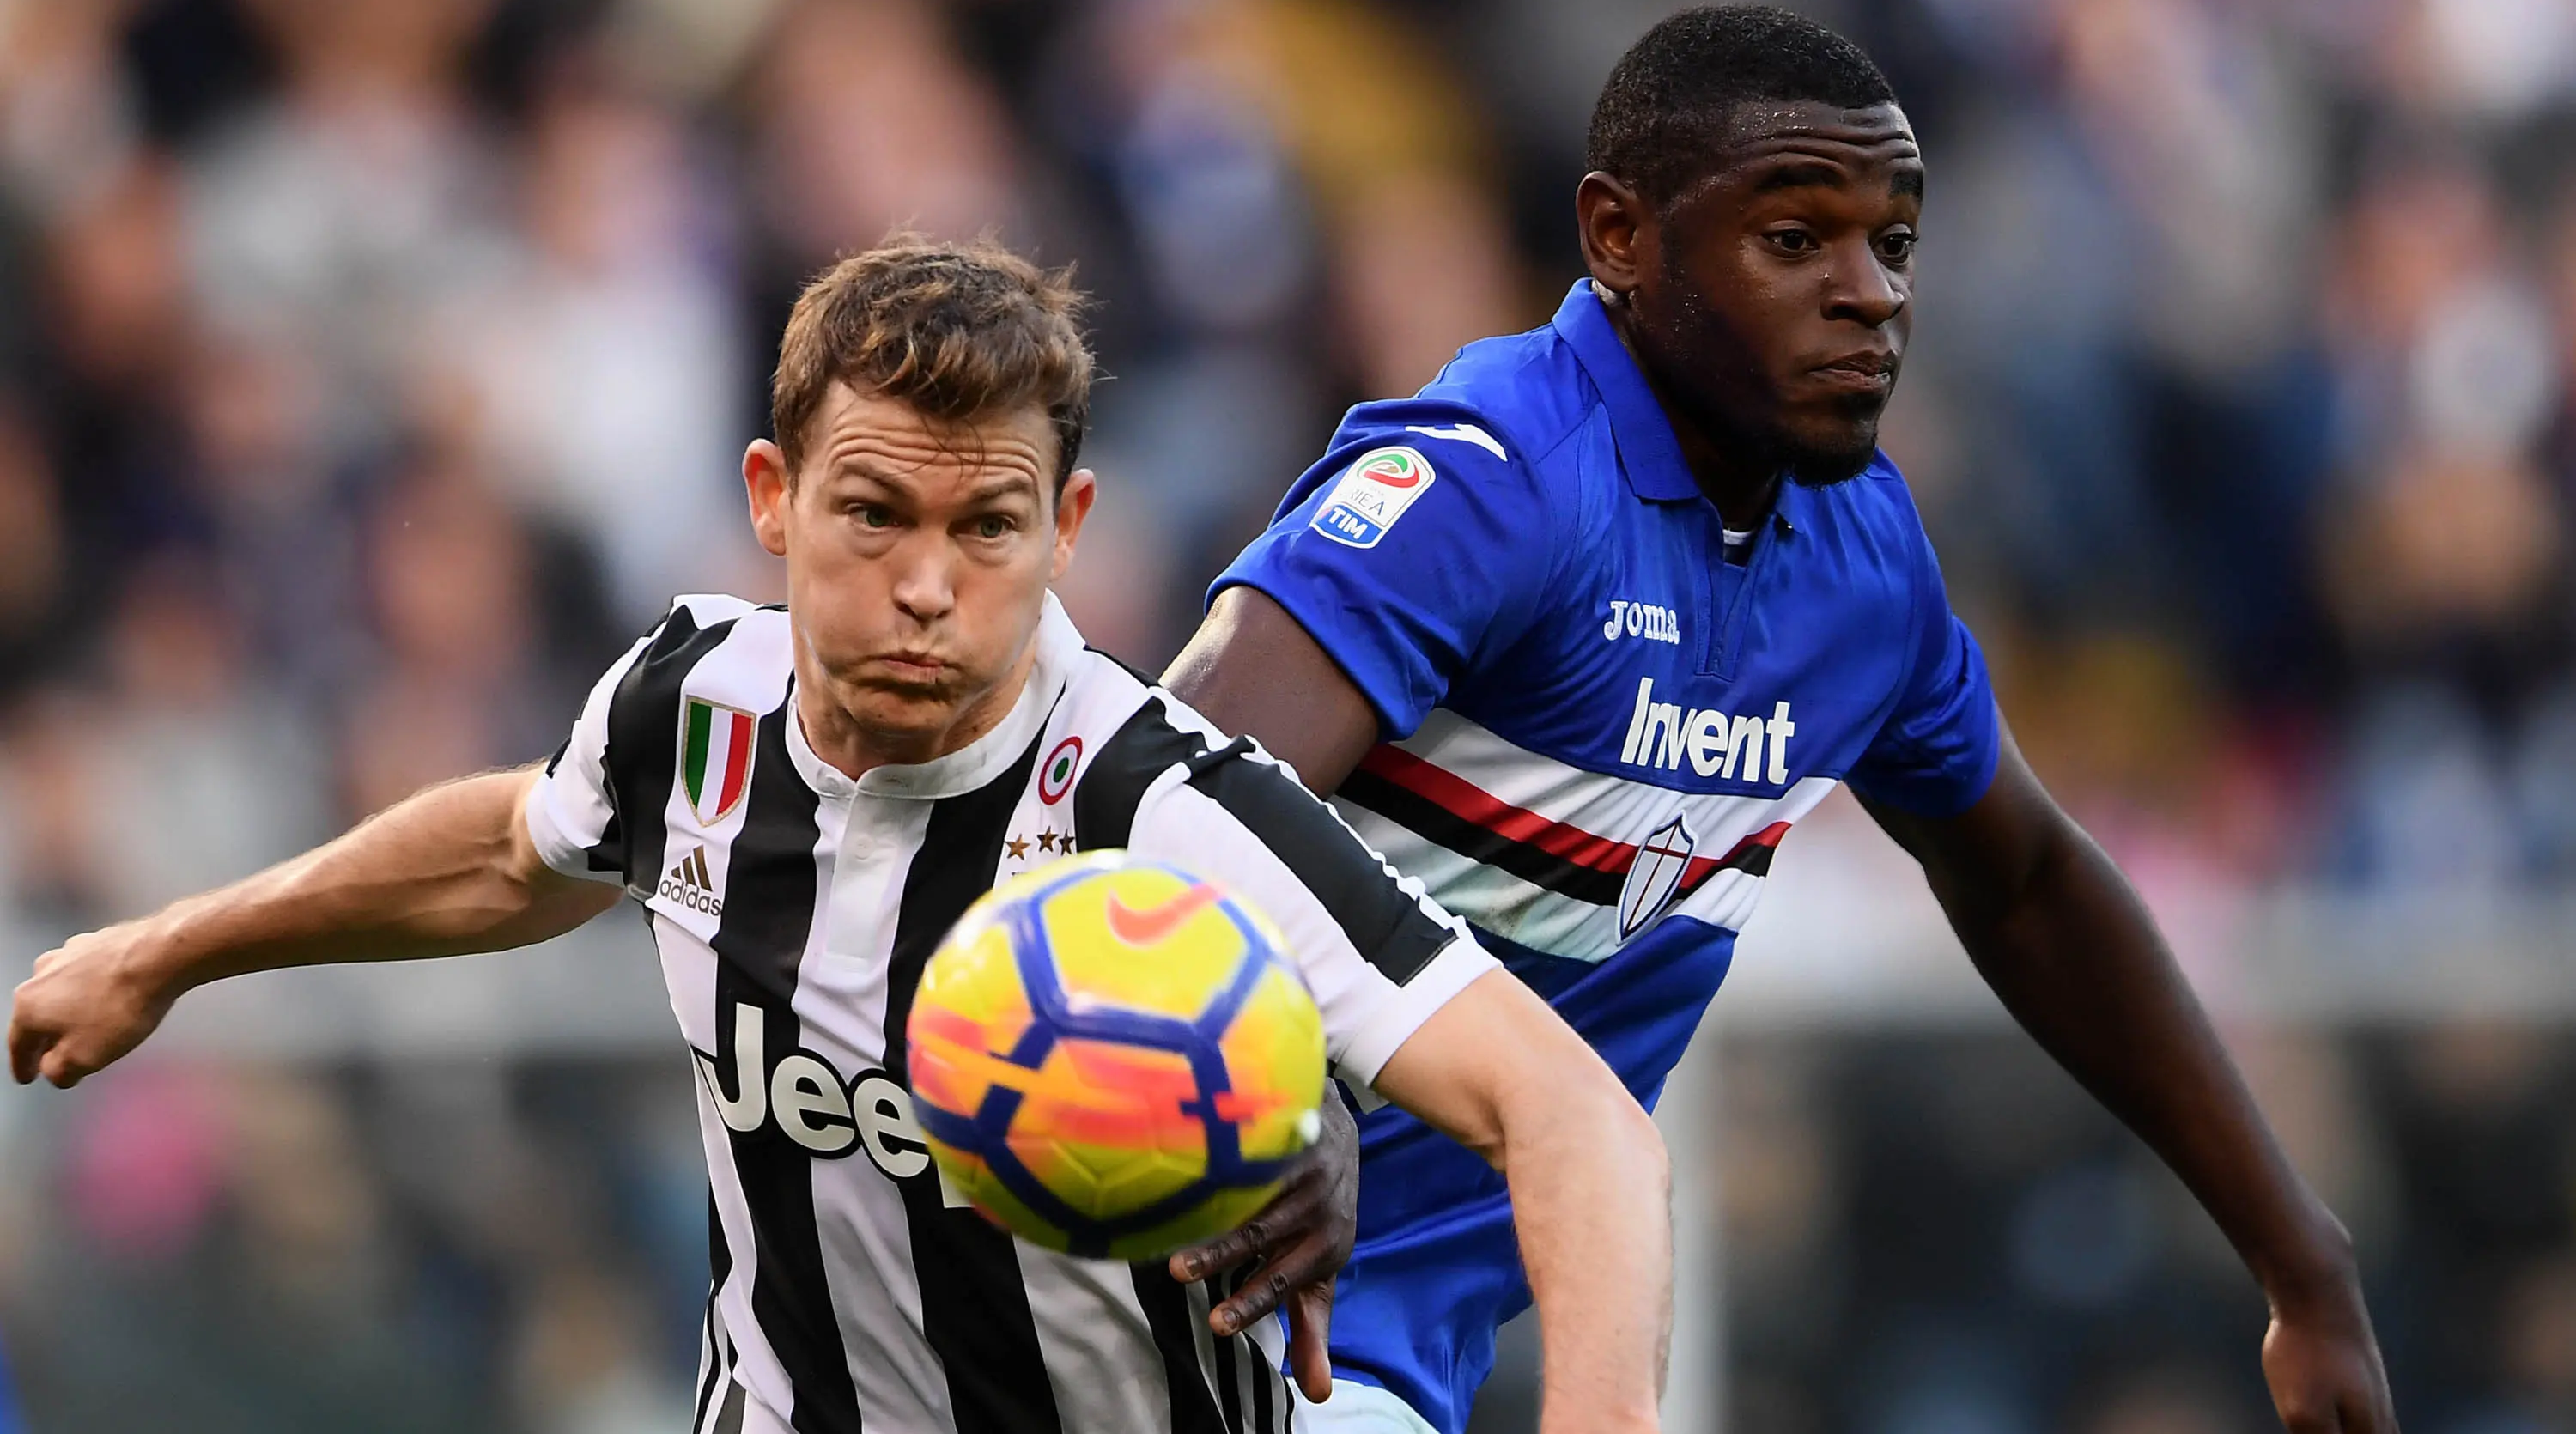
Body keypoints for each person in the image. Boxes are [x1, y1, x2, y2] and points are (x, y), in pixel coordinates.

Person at [7, 238, 1674, 1434]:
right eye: (874, 511)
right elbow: (518, 849)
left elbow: (1571, 1114)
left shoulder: (1172, 809)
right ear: (772, 499)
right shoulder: (692, 701)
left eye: (989, 525)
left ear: (1068, 529)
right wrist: (164, 951)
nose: (930, 583)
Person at [1167, 4, 2400, 1434]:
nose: (1870, 291)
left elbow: (2032, 882)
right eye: (1796, 239)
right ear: (1619, 238)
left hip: (1389, 1356)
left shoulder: (1863, 561)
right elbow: (1163, 794)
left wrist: (2304, 1262)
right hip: (1187, 1299)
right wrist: (1267, 1082)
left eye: (1897, 243)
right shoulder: (1498, 480)